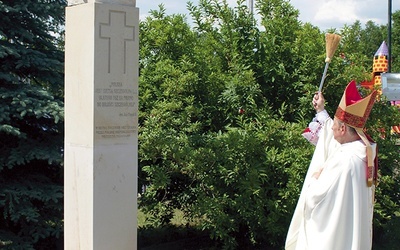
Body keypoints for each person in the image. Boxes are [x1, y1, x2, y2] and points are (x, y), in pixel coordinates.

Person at [285, 80, 378, 250]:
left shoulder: (343, 160)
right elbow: (332, 137)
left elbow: (315, 198)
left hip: (332, 240)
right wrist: (321, 111)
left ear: (343, 129)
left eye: (334, 123)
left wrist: (314, 179)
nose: (331, 127)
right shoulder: (363, 152)